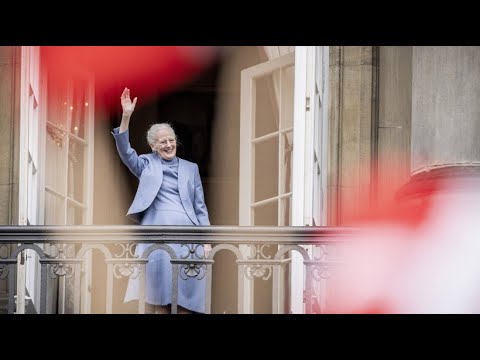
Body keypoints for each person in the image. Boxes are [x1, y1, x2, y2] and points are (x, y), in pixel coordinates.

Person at [112, 87, 210, 314]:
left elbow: (200, 207)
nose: (169, 145)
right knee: (158, 299)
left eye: (171, 140)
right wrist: (126, 115)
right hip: (157, 239)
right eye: (163, 142)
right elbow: (126, 152)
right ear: (153, 146)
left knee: (187, 299)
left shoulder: (191, 168)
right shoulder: (146, 165)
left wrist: (207, 240)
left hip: (188, 241)